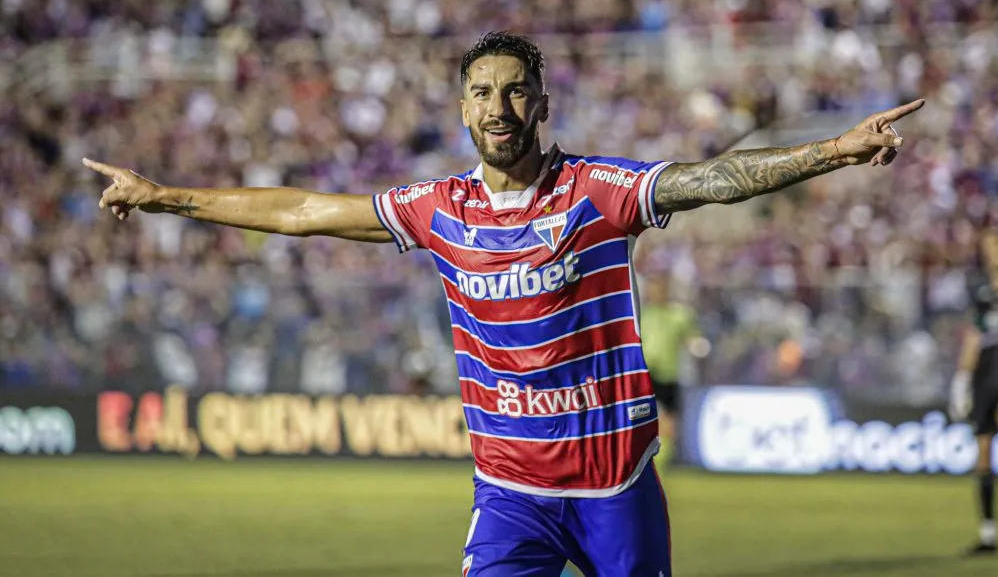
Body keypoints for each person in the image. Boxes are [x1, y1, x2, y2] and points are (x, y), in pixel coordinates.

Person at [84, 32, 922, 576]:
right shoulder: (438, 207)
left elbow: (711, 179)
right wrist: (166, 197)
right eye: (482, 92)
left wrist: (835, 151)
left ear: (542, 104)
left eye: (516, 91)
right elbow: (304, 212)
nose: (498, 107)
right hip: (509, 490)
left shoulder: (598, 192)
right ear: (462, 108)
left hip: (614, 485)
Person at [949, 229, 998, 556]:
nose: (991, 255)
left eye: (996, 248)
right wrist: (962, 379)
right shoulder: (981, 293)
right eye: (987, 249)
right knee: (983, 455)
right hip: (984, 379)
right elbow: (974, 337)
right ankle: (988, 534)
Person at [640, 271, 701, 468]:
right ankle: (644, 455)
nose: (655, 293)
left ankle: (665, 456)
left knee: (668, 418)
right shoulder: (644, 314)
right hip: (645, 372)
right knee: (643, 414)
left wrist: (697, 346)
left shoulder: (679, 315)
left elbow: (692, 339)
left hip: (668, 372)